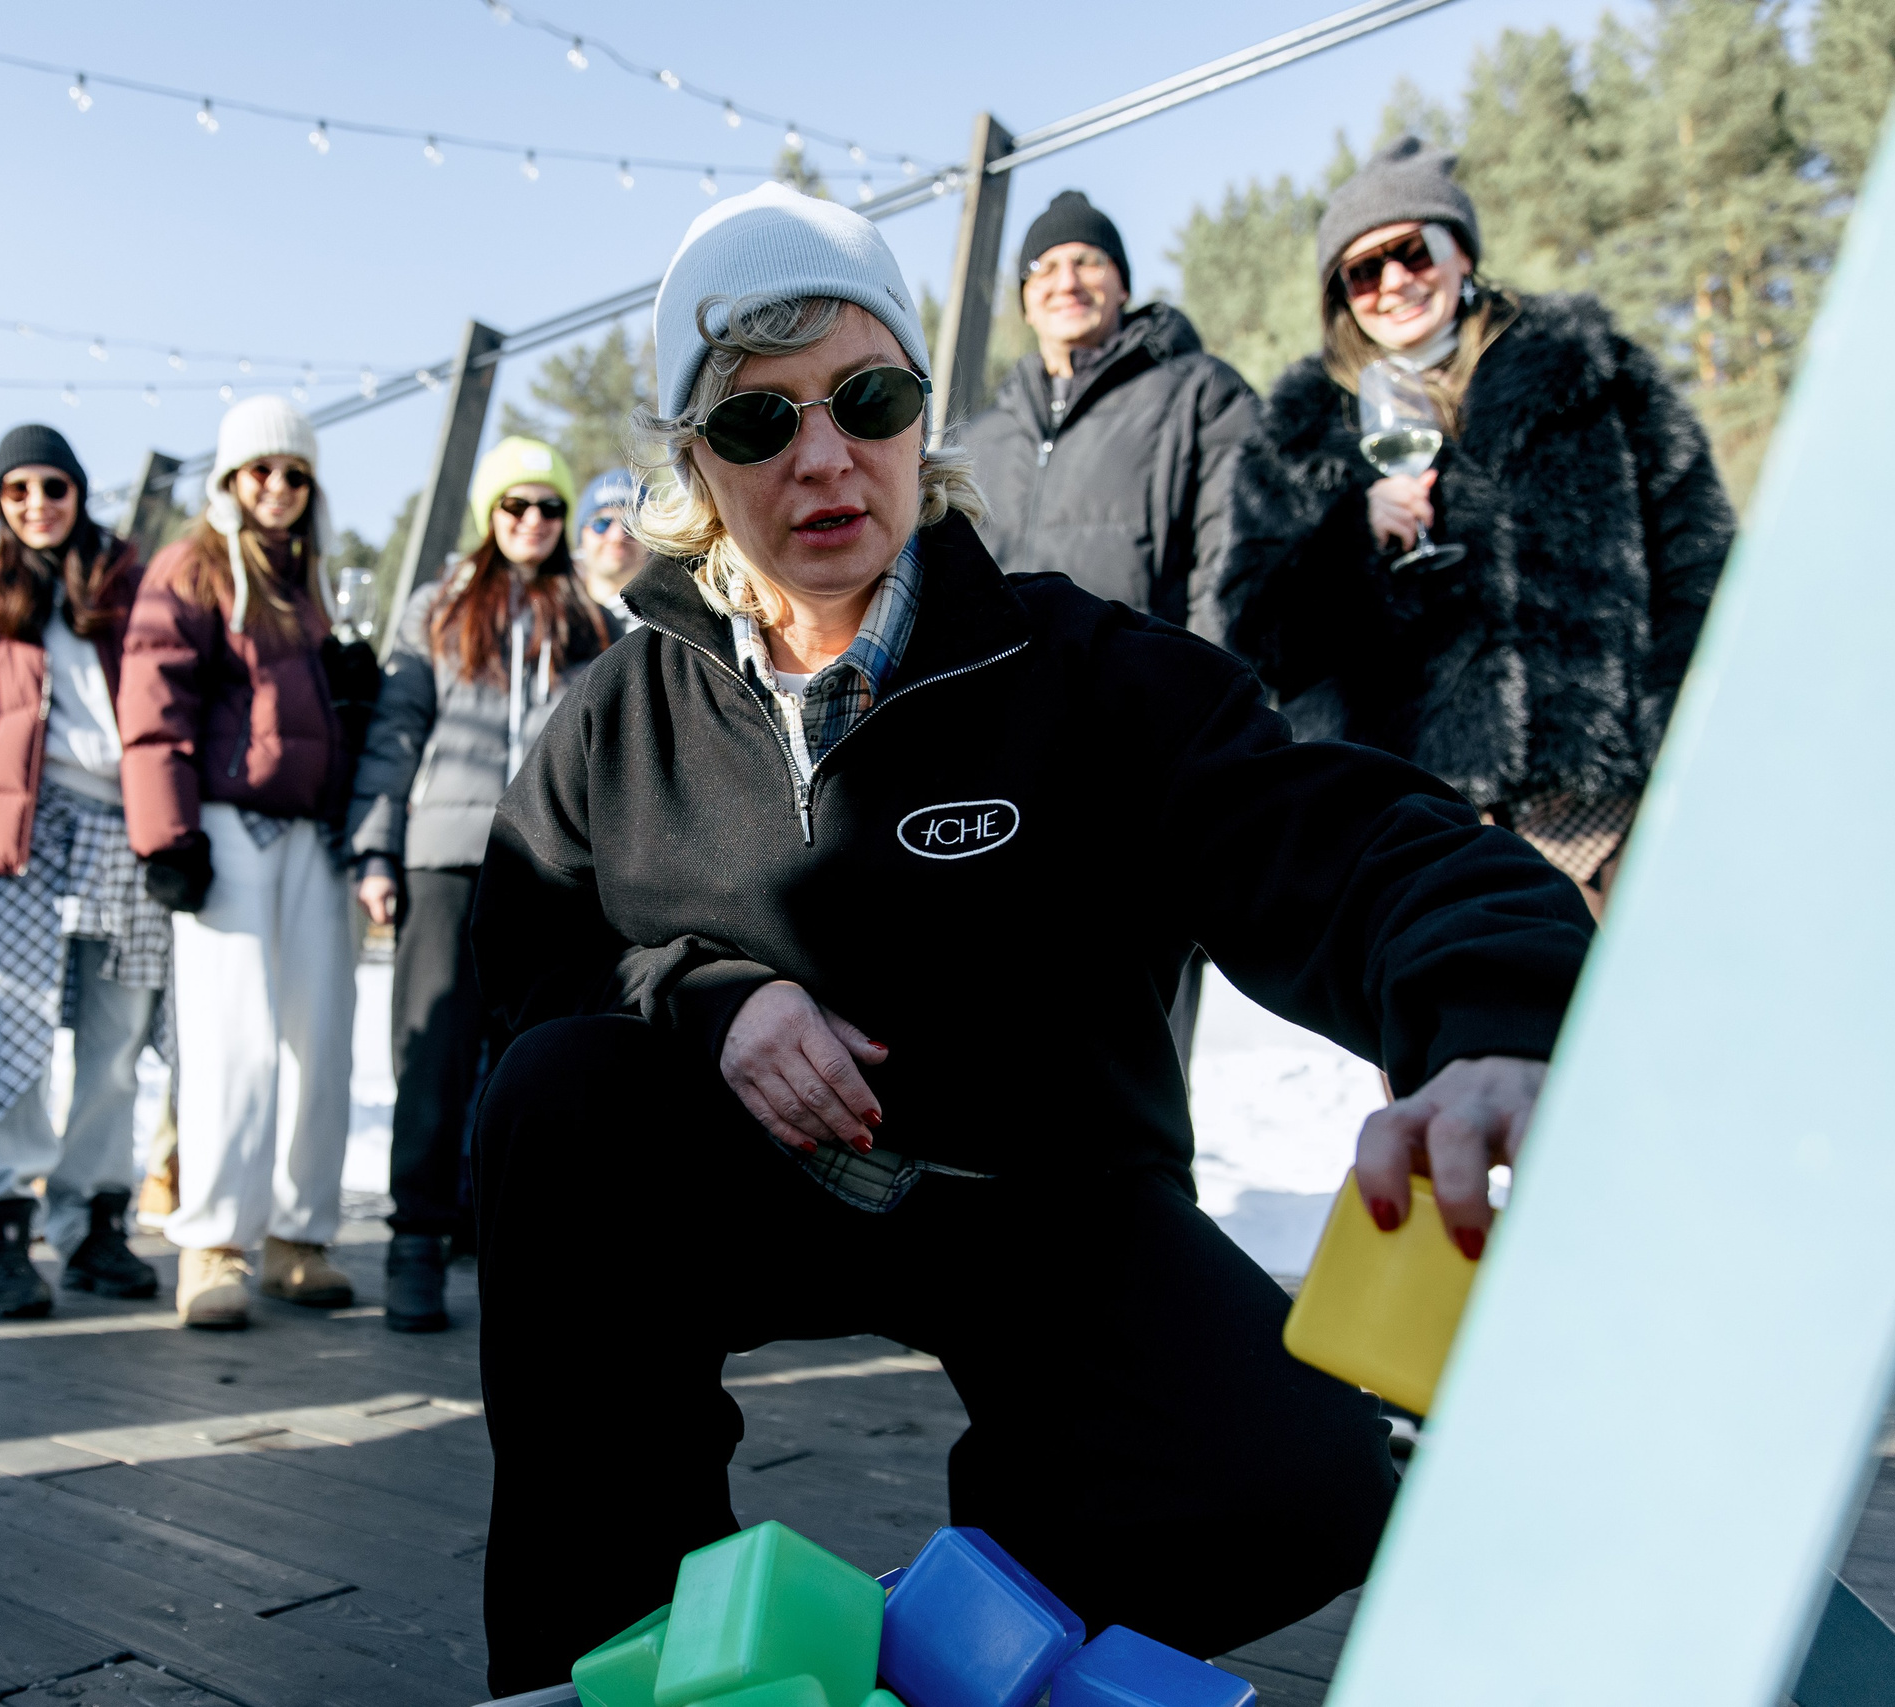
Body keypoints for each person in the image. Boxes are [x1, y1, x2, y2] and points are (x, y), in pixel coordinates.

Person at [465, 180, 1600, 1694]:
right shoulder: (626, 704)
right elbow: (521, 948)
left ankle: (963, 1634)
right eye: (756, 421)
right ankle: (608, 1658)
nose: (822, 455)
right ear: (692, 459)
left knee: (1305, 1477)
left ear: (921, 416)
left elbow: (1339, 835)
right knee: (553, 1100)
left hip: (1039, 1191)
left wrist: (1492, 1018)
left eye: (866, 399)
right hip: (752, 1177)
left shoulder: (1077, 669)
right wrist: (707, 996)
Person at [1222, 139, 1733, 920]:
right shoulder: (1296, 432)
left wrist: (1676, 744)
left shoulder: (1594, 369)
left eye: (1413, 252)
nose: (1394, 282)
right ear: (1339, 297)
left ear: (1460, 252)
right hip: (1424, 826)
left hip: (1615, 805)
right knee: (1485, 1041)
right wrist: (1352, 541)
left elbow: (1701, 559)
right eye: (1364, 270)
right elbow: (1255, 633)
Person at [120, 395, 377, 1331]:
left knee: (323, 1034)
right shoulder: (190, 568)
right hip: (225, 826)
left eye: (294, 473)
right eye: (260, 470)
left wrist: (353, 693)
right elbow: (153, 704)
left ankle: (299, 1234)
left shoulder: (310, 580)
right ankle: (213, 1240)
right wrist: (167, 836)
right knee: (231, 1039)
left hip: (312, 827)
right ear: (229, 479)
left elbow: (314, 721)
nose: (276, 487)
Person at [348, 435, 611, 1334]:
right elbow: (394, 732)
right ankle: (414, 1240)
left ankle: (516, 1242)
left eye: (548, 508)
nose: (532, 523)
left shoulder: (589, 617)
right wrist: (376, 850)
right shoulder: (438, 607)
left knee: (535, 1060)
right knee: (433, 1058)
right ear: (488, 516)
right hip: (446, 853)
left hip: (548, 867)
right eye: (515, 506)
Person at [0, 425, 166, 1319]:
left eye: (51, 486)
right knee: (5, 1035)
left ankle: (93, 1215)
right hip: (16, 838)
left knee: (117, 1046)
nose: (36, 506)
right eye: (16, 491)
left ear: (78, 491)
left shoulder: (134, 587)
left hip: (124, 831)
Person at [957, 190, 1257, 640]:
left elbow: (1233, 571)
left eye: (1088, 260)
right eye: (1044, 268)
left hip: (1149, 702)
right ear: (1025, 302)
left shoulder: (1201, 395)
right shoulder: (976, 440)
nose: (1067, 282)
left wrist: (1201, 701)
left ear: (1124, 286)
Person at [574, 466, 648, 625]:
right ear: (581, 539)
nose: (617, 536)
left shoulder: (674, 623)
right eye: (601, 523)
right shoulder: (558, 615)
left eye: (632, 524)